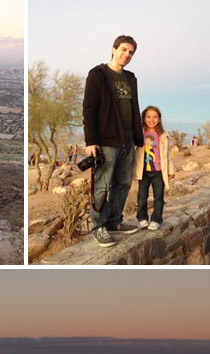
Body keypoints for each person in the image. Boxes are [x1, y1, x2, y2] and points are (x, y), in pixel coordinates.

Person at [82, 36, 144, 246]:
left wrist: (138, 139)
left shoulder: (131, 78)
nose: (127, 55)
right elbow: (89, 108)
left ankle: (115, 221)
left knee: (124, 183)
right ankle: (99, 227)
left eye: (131, 52)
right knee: (102, 185)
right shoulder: (98, 74)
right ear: (114, 49)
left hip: (128, 140)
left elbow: (134, 108)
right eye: (124, 50)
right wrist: (91, 140)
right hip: (107, 140)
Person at [135, 106, 170, 228]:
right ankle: (142, 218)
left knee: (158, 197)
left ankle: (156, 220)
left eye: (155, 117)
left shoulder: (163, 135)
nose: (152, 119)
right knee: (142, 196)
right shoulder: (140, 133)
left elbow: (167, 154)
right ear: (143, 118)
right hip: (143, 171)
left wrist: (171, 170)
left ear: (159, 119)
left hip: (159, 171)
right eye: (148, 116)